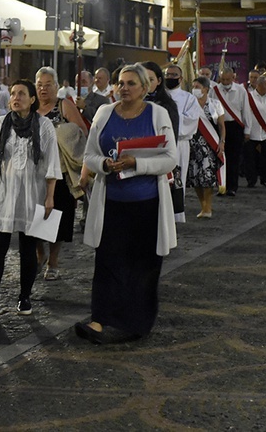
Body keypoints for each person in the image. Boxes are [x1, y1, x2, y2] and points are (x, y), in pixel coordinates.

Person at [75, 63, 177, 344]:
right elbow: (90, 154)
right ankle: (99, 320)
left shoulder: (158, 114)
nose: (124, 88)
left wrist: (138, 163)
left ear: (145, 88)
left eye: (131, 84)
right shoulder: (104, 113)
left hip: (147, 203)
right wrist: (105, 163)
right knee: (107, 262)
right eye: (121, 83)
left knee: (143, 264)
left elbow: (171, 158)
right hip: (112, 202)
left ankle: (137, 321)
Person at [0, 79, 61, 317]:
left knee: (28, 247)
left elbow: (51, 163)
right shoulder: (1, 124)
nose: (16, 97)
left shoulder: (43, 126)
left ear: (32, 99)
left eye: (22, 93)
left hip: (32, 191)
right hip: (4, 191)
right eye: (13, 93)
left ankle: (25, 298)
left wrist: (50, 197)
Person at [35, 66, 88, 280]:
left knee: (57, 217)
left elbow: (81, 131)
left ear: (57, 87)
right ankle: (39, 255)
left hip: (60, 171)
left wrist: (57, 133)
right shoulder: (30, 106)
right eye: (39, 85)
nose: (43, 89)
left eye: (48, 85)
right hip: (34, 172)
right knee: (34, 217)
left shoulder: (63, 105)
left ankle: (53, 261)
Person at [164, 64, 202, 220]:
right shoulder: (158, 96)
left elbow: (191, 120)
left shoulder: (189, 98)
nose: (170, 77)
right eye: (167, 74)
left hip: (179, 142)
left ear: (180, 78)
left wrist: (170, 124)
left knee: (178, 177)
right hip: (161, 142)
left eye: (174, 75)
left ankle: (176, 213)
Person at [188, 76, 225, 218]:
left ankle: (208, 207)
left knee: (207, 177)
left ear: (206, 89)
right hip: (193, 144)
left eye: (197, 87)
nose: (194, 89)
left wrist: (222, 142)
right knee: (195, 176)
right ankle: (202, 205)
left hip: (210, 145)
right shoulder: (189, 104)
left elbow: (222, 126)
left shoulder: (215, 104)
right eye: (193, 86)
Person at [211, 68, 246, 196]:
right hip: (219, 126)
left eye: (227, 79)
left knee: (234, 158)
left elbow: (245, 109)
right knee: (219, 157)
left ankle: (232, 186)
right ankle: (221, 185)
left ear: (233, 78)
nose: (225, 82)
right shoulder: (214, 90)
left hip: (235, 126)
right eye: (223, 79)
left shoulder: (241, 90)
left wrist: (247, 129)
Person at [243, 76, 266, 188]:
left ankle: (265, 179)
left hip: (265, 133)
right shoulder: (249, 97)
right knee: (250, 159)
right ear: (259, 85)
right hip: (251, 133)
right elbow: (246, 115)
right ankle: (251, 180)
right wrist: (246, 131)